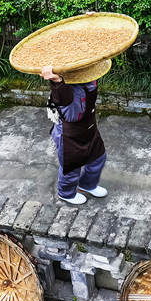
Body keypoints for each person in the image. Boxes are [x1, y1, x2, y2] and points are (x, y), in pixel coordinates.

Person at [41, 65, 108, 205]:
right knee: (71, 167)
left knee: (98, 157)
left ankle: (87, 185)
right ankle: (66, 193)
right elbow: (61, 98)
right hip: (69, 135)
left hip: (89, 128)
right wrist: (57, 82)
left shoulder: (89, 81)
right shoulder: (66, 90)